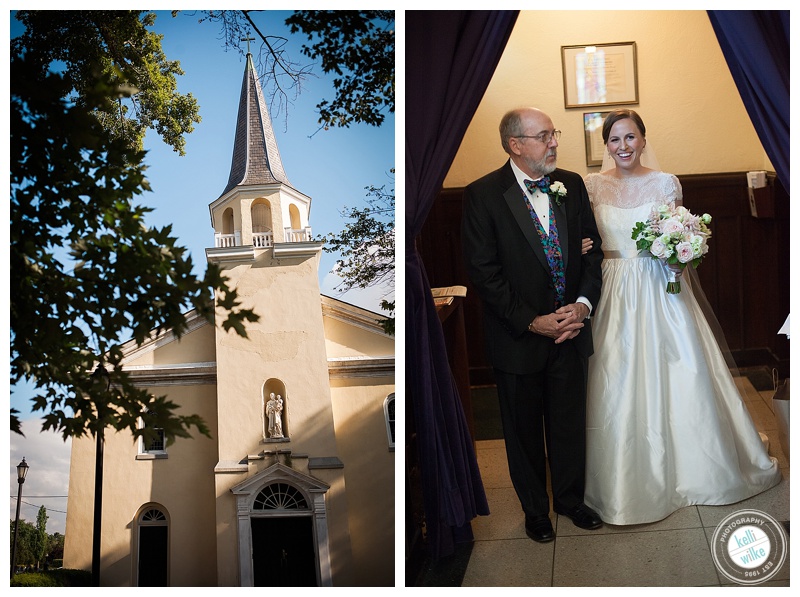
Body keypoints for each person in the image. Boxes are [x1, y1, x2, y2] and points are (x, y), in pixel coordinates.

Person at [583, 108, 781, 525]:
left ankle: (700, 468)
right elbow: (584, 237)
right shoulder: (591, 186)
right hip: (614, 287)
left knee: (681, 369)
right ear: (606, 145)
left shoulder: (665, 183)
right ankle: (624, 476)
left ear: (643, 138)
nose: (623, 147)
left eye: (631, 137)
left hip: (660, 287)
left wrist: (678, 259)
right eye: (615, 139)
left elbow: (679, 232)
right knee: (616, 375)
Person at [462, 107, 605, 542]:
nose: (554, 142)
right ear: (515, 145)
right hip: (518, 336)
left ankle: (569, 500)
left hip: (571, 330)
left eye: (553, 133)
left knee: (567, 423)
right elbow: (485, 273)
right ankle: (535, 511)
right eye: (544, 135)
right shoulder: (483, 194)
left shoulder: (572, 186)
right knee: (522, 431)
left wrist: (581, 306)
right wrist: (532, 321)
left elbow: (592, 253)